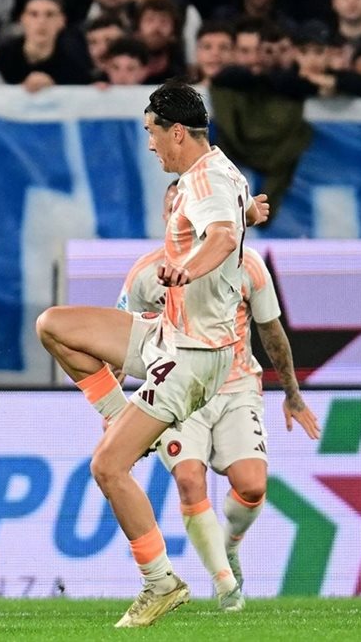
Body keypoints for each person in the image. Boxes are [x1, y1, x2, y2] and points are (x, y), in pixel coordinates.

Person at [35, 81, 270, 628]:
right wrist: (249, 216)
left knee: (106, 466)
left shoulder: (206, 178)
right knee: (54, 325)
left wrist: (187, 268)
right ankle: (121, 418)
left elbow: (219, 236)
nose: (149, 144)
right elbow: (230, 220)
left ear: (177, 132)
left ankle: (160, 581)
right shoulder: (219, 171)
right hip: (168, 333)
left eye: (151, 132)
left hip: (196, 355)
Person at [117, 180, 320, 612]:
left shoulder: (247, 265)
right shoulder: (144, 275)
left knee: (252, 486)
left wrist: (293, 395)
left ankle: (229, 545)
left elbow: (271, 332)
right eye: (176, 212)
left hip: (236, 387)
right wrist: (113, 406)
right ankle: (226, 586)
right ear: (167, 219)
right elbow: (119, 339)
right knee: (189, 480)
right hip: (176, 391)